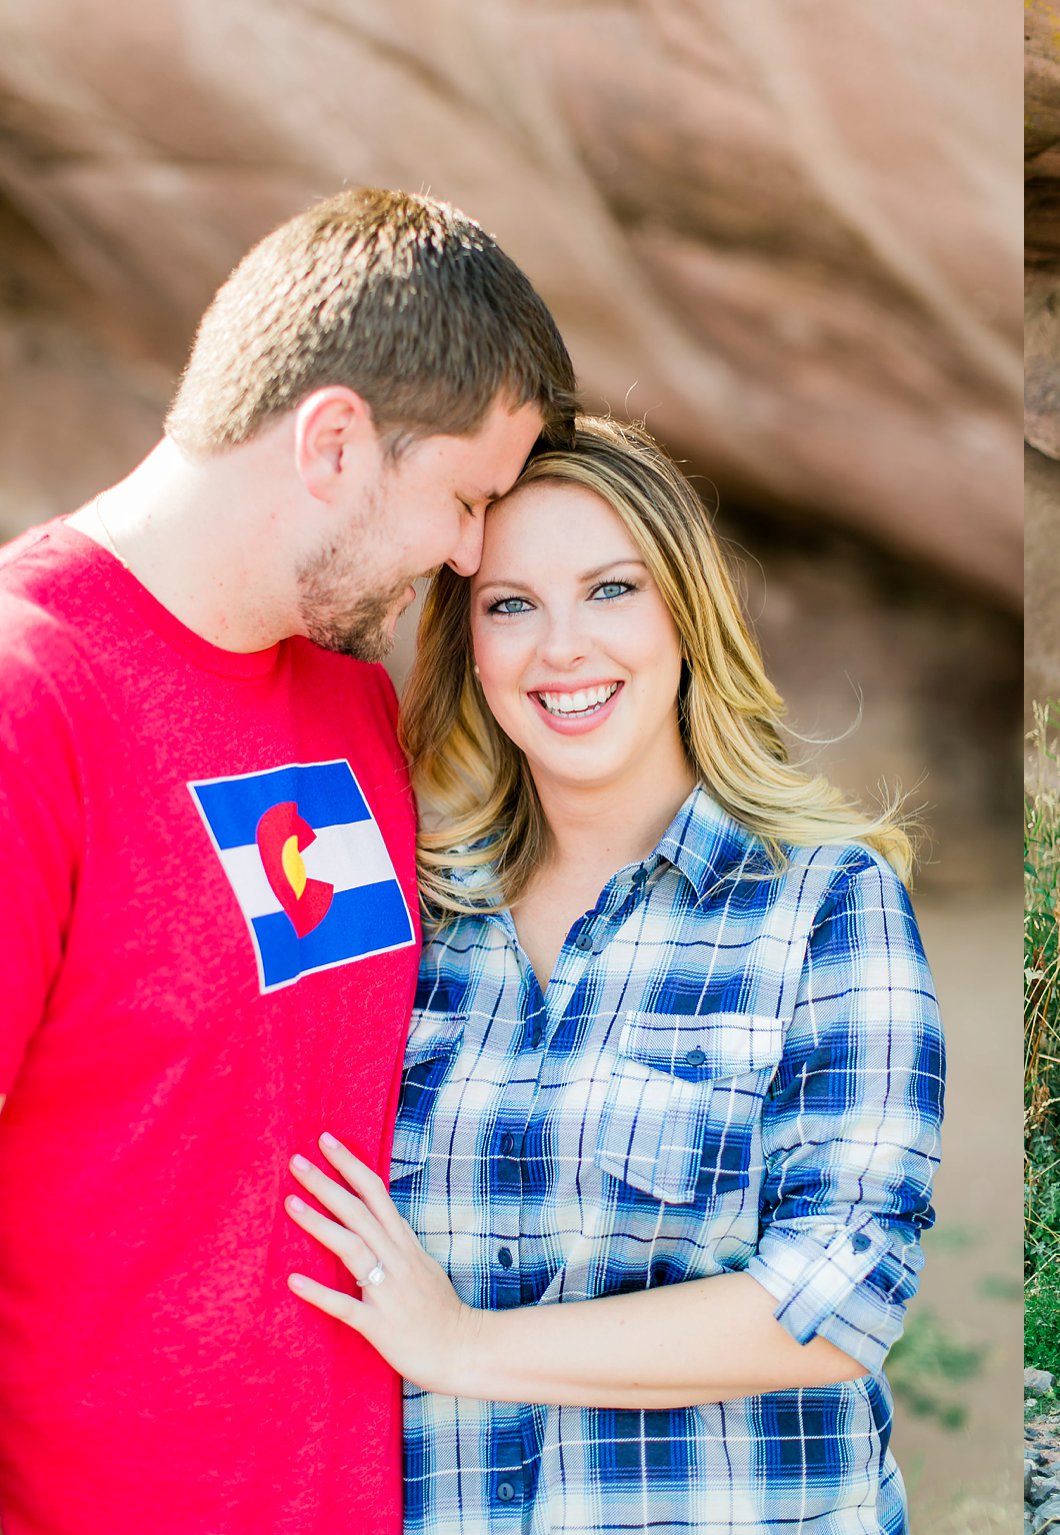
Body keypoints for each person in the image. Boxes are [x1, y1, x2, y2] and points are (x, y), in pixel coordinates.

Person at [0, 188, 576, 1534]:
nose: (471, 552)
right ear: (332, 441)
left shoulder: (350, 698)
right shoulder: (34, 699)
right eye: (466, 496)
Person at [281, 415, 945, 1533]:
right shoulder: (412, 919)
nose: (561, 649)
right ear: (469, 642)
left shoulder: (824, 904)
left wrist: (464, 1345)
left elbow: (843, 1296)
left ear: (685, 611)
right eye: (510, 604)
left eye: (609, 590)